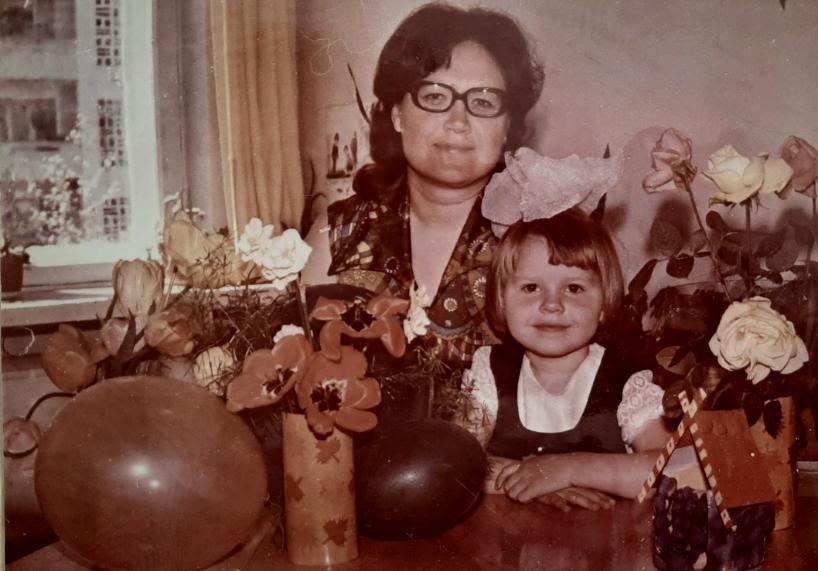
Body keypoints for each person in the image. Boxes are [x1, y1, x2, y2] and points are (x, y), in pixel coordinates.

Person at [302, 3, 544, 367]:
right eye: (434, 97)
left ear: (508, 126)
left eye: (483, 101)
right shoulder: (336, 237)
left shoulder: (542, 240)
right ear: (397, 114)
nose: (458, 121)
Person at [457, 209, 672, 511]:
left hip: (600, 535)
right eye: (531, 287)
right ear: (502, 300)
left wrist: (569, 469)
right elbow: (454, 461)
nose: (552, 304)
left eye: (573, 288)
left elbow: (667, 468)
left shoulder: (626, 379)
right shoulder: (490, 370)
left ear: (604, 303)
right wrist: (534, 479)